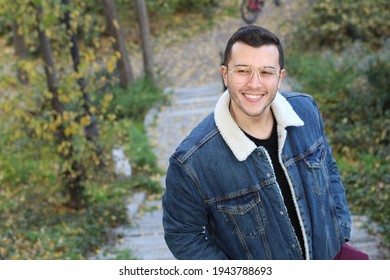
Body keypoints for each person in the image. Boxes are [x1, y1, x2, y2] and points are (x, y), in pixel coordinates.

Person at [162, 25, 351, 260]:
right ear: (225, 74)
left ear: (280, 77)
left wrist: (339, 230)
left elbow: (329, 170)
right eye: (243, 71)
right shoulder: (191, 162)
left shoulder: (306, 111)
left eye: (266, 72)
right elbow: (182, 236)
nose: (254, 84)